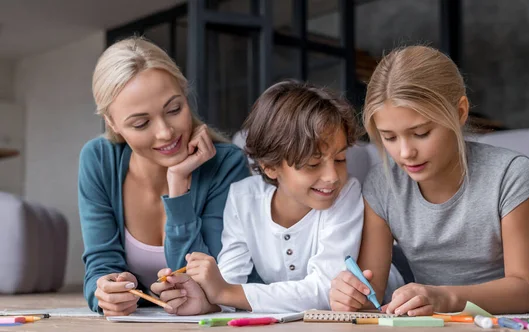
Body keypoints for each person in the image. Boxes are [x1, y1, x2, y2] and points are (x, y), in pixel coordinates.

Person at [329, 45, 529, 315]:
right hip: (447, 300)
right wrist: (352, 295)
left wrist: (444, 297)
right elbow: (371, 290)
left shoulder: (510, 173)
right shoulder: (382, 185)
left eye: (421, 133)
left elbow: (525, 290)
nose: (405, 152)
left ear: (459, 112)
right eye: (389, 137)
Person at [79, 37, 249, 316]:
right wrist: (107, 292)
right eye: (141, 123)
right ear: (112, 123)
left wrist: (179, 186)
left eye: (174, 109)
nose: (165, 133)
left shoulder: (226, 165)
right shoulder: (99, 160)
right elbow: (100, 264)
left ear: (184, 94)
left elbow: (214, 279)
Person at [179, 81, 364, 313]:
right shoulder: (243, 198)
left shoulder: (346, 194)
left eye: (340, 159)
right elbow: (229, 280)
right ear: (269, 167)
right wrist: (206, 297)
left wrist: (226, 293)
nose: (332, 176)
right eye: (313, 163)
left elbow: (326, 289)